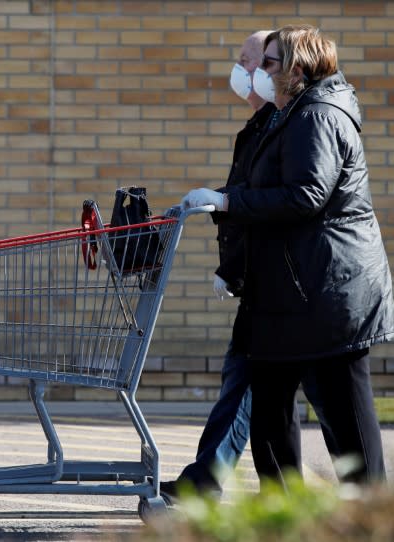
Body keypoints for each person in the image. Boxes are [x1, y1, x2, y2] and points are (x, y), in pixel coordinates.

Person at [181, 24, 394, 485]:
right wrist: (223, 207)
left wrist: (227, 203)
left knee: (345, 421)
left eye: (269, 62)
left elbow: (306, 195)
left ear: (297, 68)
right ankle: (282, 508)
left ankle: (374, 512)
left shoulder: (317, 115)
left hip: (327, 293)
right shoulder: (286, 114)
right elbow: (263, 188)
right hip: (285, 293)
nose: (258, 71)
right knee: (268, 409)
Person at [159, 30, 276, 502]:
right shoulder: (258, 127)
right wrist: (233, 268)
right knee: (255, 387)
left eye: (249, 61)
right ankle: (218, 483)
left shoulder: (280, 128)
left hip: (287, 289)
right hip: (267, 283)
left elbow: (268, 204)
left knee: (256, 384)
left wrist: (222, 206)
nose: (241, 69)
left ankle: (210, 482)